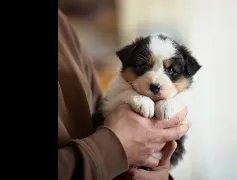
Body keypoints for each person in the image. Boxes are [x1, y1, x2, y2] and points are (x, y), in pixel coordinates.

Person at [58, 10, 190, 180]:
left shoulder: (65, 30)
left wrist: (161, 174)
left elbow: (96, 112)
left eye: (170, 70)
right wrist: (114, 147)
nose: (156, 79)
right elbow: (105, 116)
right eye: (143, 66)